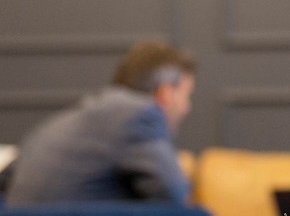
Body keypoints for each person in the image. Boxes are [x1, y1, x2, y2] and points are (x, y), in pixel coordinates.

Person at [6, 41, 196, 205]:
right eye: (186, 95)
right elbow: (175, 196)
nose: (187, 107)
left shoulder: (59, 124)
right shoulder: (140, 115)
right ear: (166, 93)